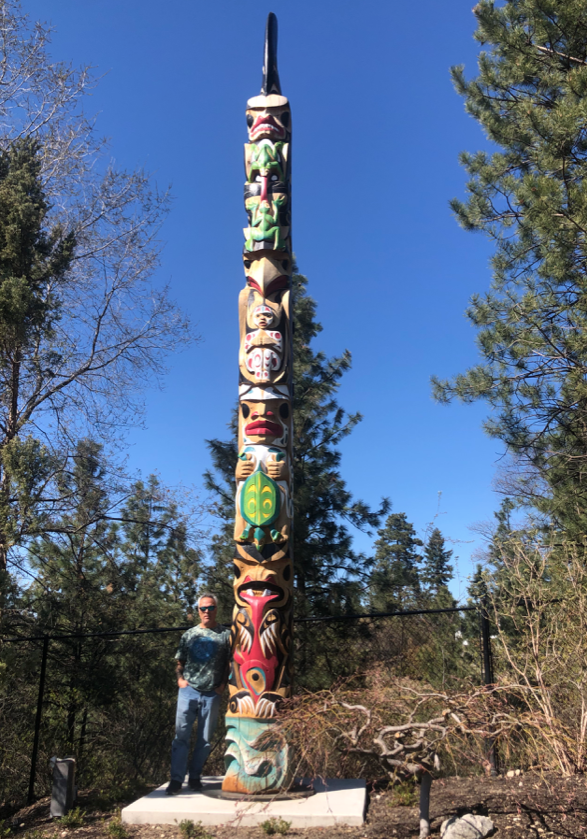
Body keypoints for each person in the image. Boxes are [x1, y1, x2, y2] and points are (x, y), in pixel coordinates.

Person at [166, 593, 231, 795]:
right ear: (198, 611)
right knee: (181, 736)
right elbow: (180, 661)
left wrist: (222, 685)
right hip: (189, 692)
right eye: (203, 608)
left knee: (205, 740)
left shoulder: (226, 635)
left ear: (216, 609)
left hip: (212, 693)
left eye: (210, 608)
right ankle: (176, 780)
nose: (206, 612)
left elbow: (231, 663)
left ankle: (195, 777)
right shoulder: (189, 634)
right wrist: (180, 681)